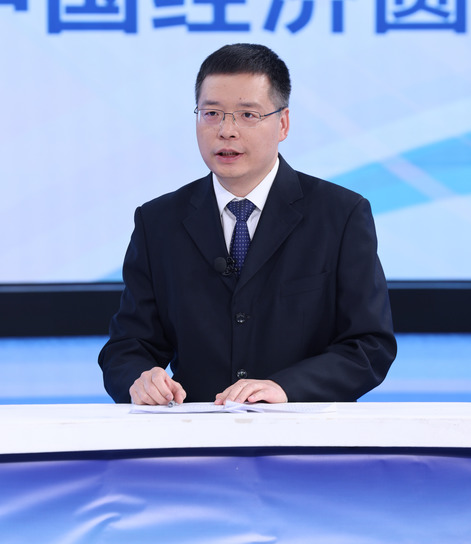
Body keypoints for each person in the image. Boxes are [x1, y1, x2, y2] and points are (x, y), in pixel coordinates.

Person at [99, 43, 396, 405]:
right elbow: (128, 346)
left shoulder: (340, 214)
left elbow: (369, 345)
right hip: (194, 428)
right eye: (211, 113)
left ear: (282, 123)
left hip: (303, 428)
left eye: (247, 115)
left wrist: (286, 388)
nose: (226, 130)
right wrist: (140, 378)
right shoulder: (158, 221)